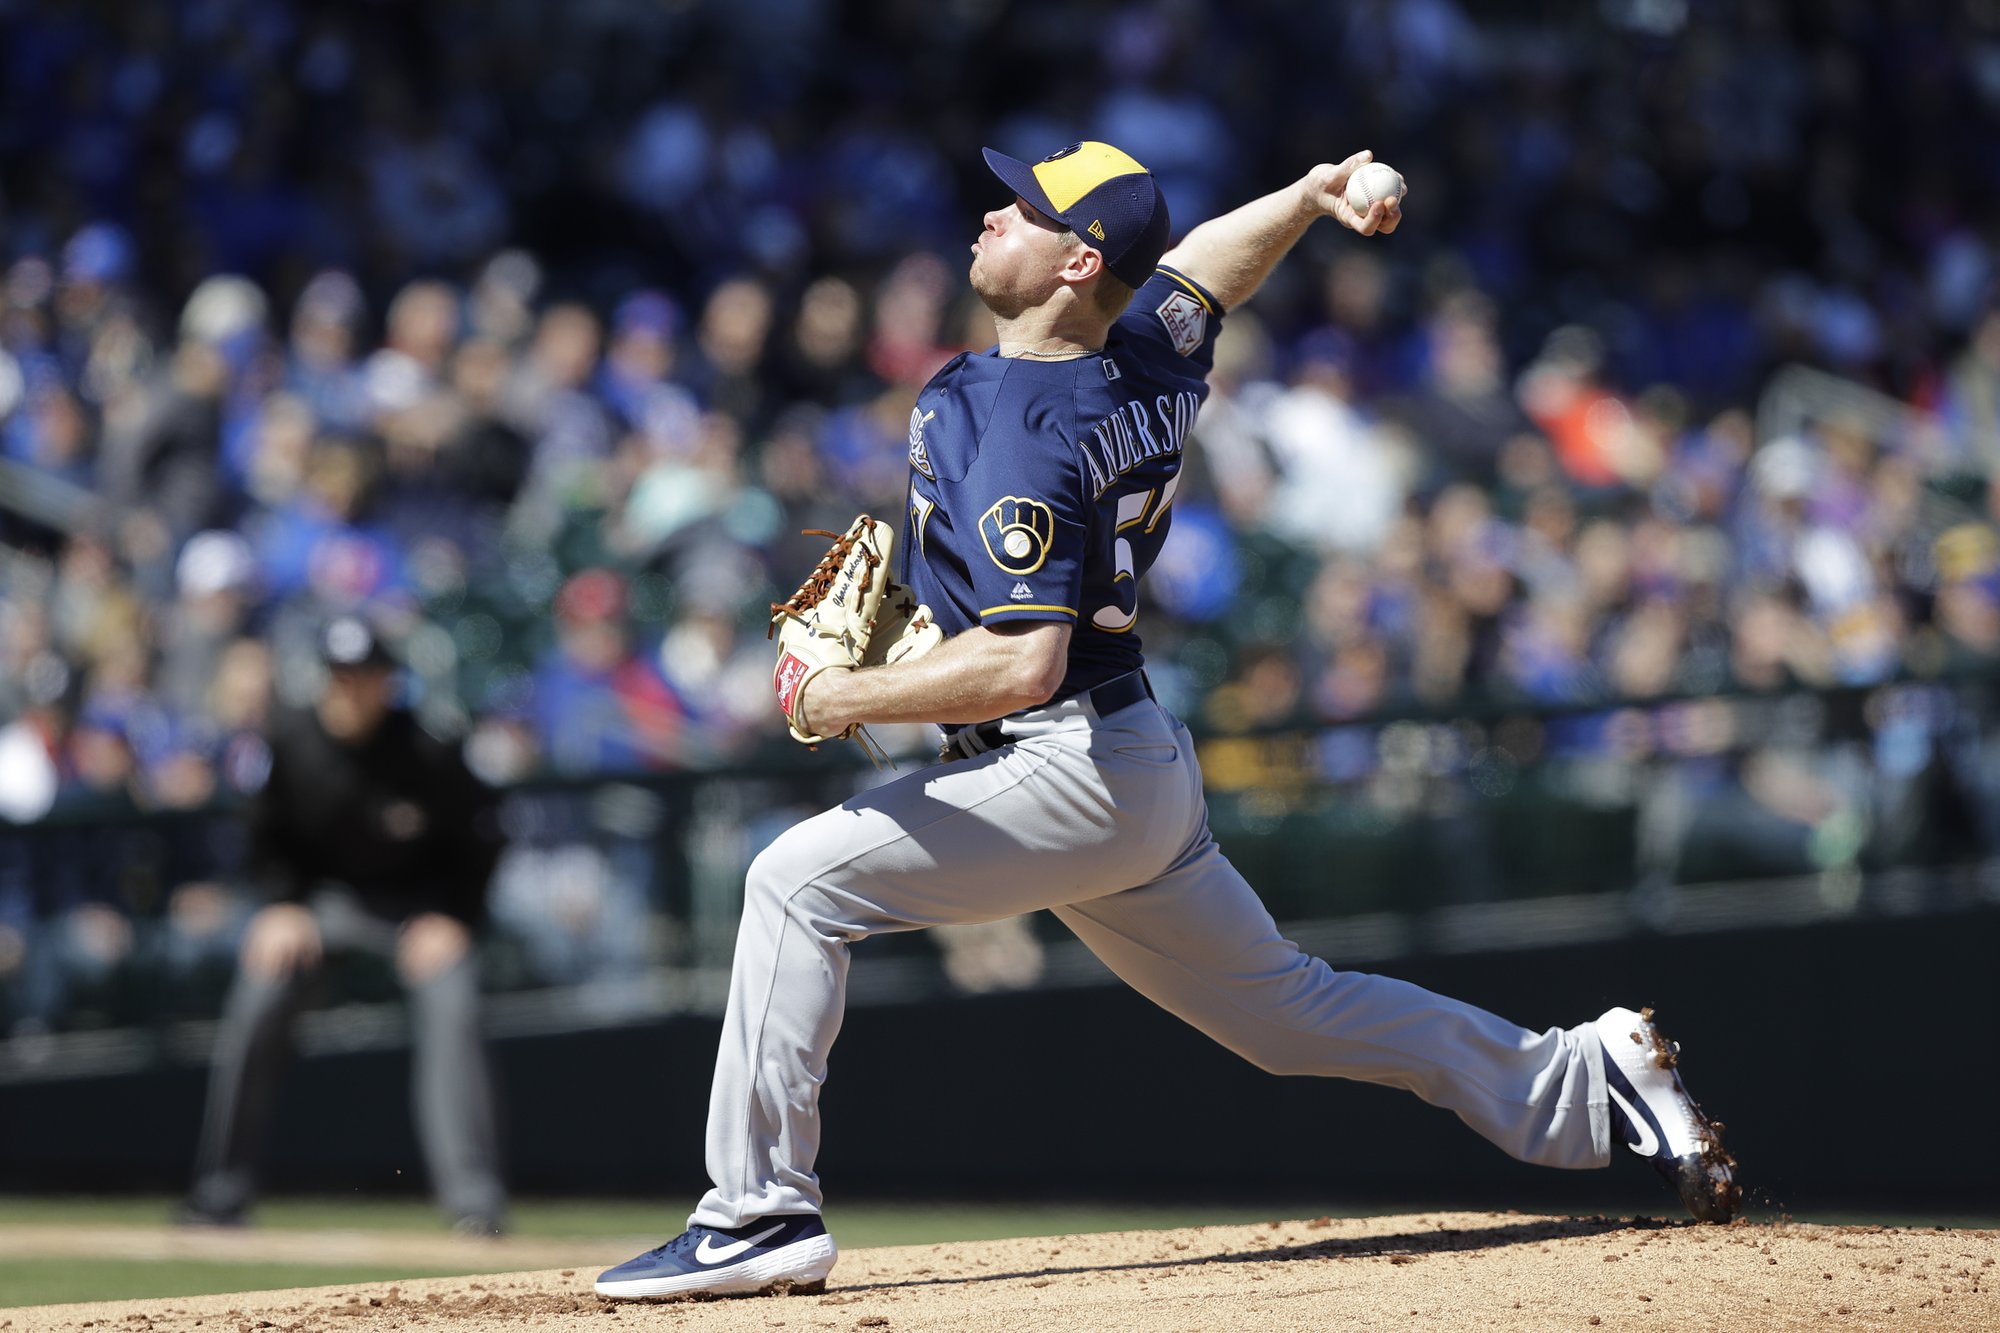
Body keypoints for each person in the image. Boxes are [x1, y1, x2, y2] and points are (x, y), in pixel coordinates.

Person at [595, 141, 1738, 1301]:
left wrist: (834, 699)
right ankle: (1583, 1076)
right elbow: (1200, 272)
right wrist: (1302, 197)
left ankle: (757, 1213)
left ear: (1077, 258)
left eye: (1025, 208)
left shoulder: (1027, 427)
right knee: (1289, 1013)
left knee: (793, 883)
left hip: (1064, 761)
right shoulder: (1138, 355)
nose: (993, 212)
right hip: (1123, 760)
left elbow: (1024, 661)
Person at [180, 615, 509, 1235]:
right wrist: (281, 905)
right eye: (340, 676)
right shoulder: (291, 740)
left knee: (454, 1000)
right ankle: (220, 1194)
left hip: (415, 911)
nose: (351, 689)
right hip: (323, 907)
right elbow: (262, 839)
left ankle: (475, 1203)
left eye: (365, 676)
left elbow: (484, 838)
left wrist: (454, 918)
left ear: (388, 681)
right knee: (258, 996)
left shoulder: (427, 748)